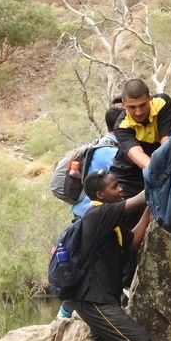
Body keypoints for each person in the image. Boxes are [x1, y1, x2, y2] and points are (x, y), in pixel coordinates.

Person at [68, 170, 152, 341]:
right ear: (100, 194)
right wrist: (159, 178)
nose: (120, 189)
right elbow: (139, 198)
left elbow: (134, 241)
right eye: (115, 187)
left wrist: (150, 209)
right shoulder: (96, 214)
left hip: (104, 300)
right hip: (94, 301)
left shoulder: (111, 223)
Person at [58, 105, 124, 320]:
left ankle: (67, 311)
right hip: (94, 214)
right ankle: (69, 310)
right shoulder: (112, 153)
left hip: (83, 212)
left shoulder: (96, 147)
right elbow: (117, 187)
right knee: (90, 265)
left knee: (84, 263)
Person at [110, 79, 171, 200]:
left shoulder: (162, 103)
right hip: (128, 176)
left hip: (157, 166)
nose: (138, 112)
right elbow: (137, 155)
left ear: (150, 98)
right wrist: (162, 175)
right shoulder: (122, 126)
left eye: (142, 105)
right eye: (132, 107)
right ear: (123, 104)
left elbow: (166, 141)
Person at [70, 106, 124, 218]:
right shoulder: (111, 152)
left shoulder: (101, 144)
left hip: (82, 207)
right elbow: (125, 178)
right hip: (92, 211)